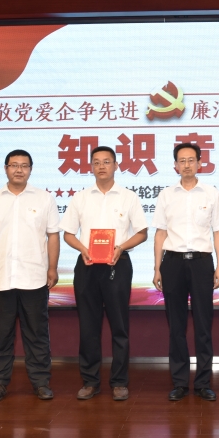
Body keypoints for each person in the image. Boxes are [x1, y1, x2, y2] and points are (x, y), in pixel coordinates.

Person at [0, 150, 60, 402]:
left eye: (24, 166)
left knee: (37, 334)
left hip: (34, 277)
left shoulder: (44, 199)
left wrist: (52, 268)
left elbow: (53, 236)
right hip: (1, 278)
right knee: (1, 335)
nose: (19, 170)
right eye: (14, 165)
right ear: (5, 168)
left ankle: (41, 383)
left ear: (31, 169)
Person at [61, 146, 148, 401]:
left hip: (117, 265)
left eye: (107, 162)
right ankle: (90, 381)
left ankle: (119, 382)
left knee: (119, 326)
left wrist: (120, 247)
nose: (101, 166)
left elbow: (142, 232)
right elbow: (68, 233)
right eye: (96, 162)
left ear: (116, 165)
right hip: (87, 265)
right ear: (91, 167)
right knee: (88, 326)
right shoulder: (81, 197)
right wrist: (83, 248)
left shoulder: (128, 197)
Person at [152, 143, 219, 402]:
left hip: (201, 263)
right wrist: (157, 267)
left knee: (203, 325)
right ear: (175, 165)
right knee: (176, 325)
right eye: (182, 160)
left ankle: (204, 382)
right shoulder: (166, 195)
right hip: (172, 263)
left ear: (200, 163)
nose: (186, 164)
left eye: (191, 160)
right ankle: (180, 383)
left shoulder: (211, 194)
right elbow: (160, 233)